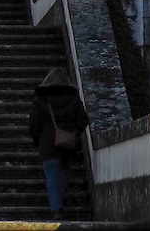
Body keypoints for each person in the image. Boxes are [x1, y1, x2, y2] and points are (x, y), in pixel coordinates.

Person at [28, 68, 89, 217]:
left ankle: (56, 208)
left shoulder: (41, 100)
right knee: (64, 173)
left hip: (47, 144)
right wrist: (74, 132)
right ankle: (59, 202)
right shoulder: (73, 99)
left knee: (51, 175)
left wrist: (38, 140)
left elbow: (33, 124)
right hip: (66, 144)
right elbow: (83, 121)